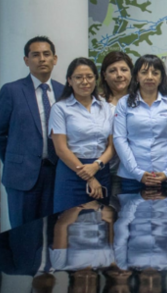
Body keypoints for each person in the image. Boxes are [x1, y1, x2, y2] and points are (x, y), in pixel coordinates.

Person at [0, 36, 64, 228]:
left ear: (54, 59)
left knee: (54, 231)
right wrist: (16, 159)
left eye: (46, 54)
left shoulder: (63, 91)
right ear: (26, 60)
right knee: (24, 233)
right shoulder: (12, 91)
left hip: (55, 173)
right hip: (22, 176)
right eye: (35, 55)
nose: (42, 59)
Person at [113, 54, 167, 192]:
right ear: (136, 76)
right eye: (144, 72)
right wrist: (137, 172)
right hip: (132, 178)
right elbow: (120, 139)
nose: (150, 77)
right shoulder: (124, 104)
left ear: (161, 78)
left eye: (155, 73)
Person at [49, 58, 114, 212]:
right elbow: (61, 149)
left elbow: (112, 146)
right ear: (69, 81)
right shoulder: (60, 108)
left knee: (100, 225)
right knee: (70, 224)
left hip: (101, 170)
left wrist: (96, 166)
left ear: (96, 80)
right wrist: (89, 177)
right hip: (72, 172)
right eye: (78, 77)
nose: (85, 82)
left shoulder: (105, 107)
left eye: (89, 77)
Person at [99, 51, 134, 194]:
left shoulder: (142, 102)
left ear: (132, 74)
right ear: (104, 76)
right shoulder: (97, 104)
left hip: (134, 172)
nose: (119, 75)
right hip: (103, 170)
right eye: (112, 71)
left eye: (124, 70)